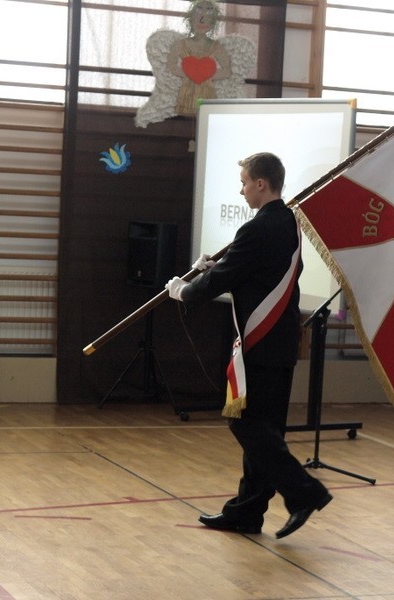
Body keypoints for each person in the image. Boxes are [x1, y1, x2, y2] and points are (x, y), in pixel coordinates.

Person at [165, 152, 331, 539]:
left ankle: (305, 493)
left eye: (244, 182)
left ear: (260, 183)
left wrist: (184, 290)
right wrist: (214, 269)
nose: (241, 190)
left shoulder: (258, 228)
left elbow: (225, 280)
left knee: (244, 423)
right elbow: (251, 272)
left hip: (263, 342)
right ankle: (247, 512)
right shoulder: (287, 220)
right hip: (281, 343)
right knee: (267, 429)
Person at [167, 0, 233, 116]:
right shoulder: (180, 44)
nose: (202, 19)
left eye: (208, 13)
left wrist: (206, 74)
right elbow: (170, 66)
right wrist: (188, 73)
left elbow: (227, 71)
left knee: (205, 120)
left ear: (213, 23)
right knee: (185, 123)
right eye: (199, 11)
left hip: (208, 94)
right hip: (185, 94)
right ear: (190, 20)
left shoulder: (217, 47)